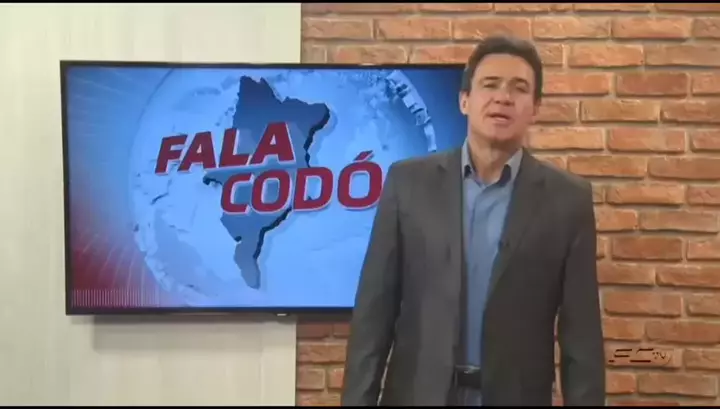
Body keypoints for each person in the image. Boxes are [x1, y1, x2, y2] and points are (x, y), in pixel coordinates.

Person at [340, 35, 606, 406]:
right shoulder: (408, 183)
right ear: (464, 100)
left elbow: (582, 340)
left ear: (535, 108)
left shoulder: (567, 200)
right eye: (490, 85)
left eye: (519, 88)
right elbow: (373, 316)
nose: (503, 98)